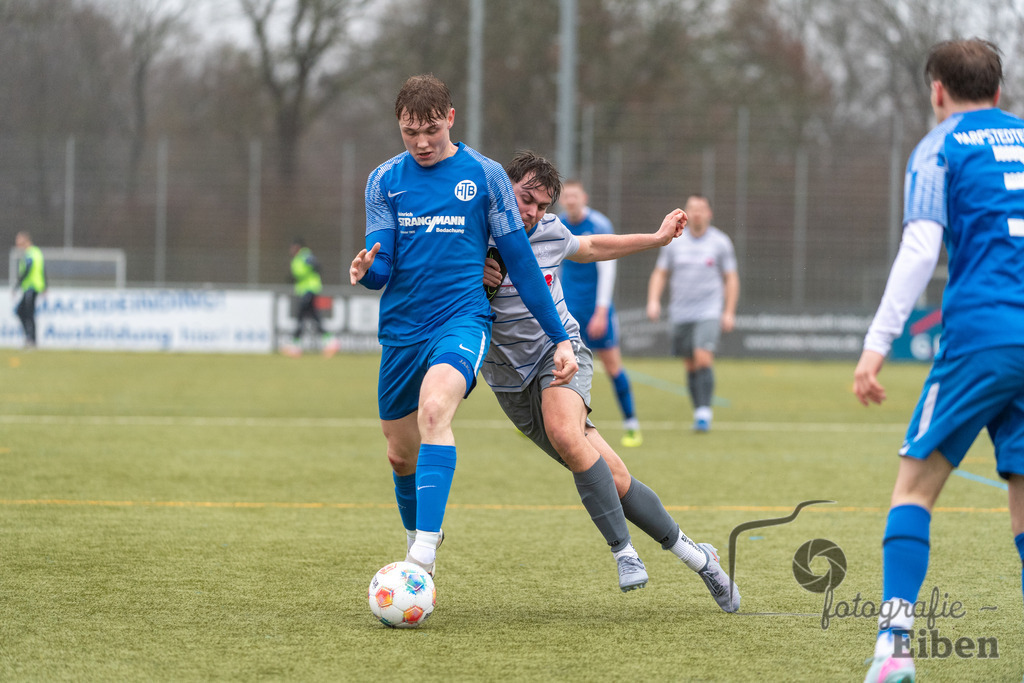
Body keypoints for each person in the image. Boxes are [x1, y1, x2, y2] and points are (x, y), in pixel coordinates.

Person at [482, 150, 740, 610]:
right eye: (526, 199)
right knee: (615, 477)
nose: (533, 213)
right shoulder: (471, 233)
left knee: (564, 430)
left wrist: (659, 239)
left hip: (558, 354)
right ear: (505, 187)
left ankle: (624, 553)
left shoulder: (548, 232)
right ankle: (701, 560)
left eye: (542, 206)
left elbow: (596, 247)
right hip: (507, 380)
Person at [349, 75, 577, 577]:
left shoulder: (488, 175)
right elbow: (384, 265)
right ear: (399, 127)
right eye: (411, 132)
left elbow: (520, 263)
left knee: (435, 411)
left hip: (462, 319)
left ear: (450, 118)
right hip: (402, 330)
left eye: (431, 128)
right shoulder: (384, 180)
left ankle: (421, 556)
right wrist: (369, 273)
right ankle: (418, 532)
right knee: (399, 456)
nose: (422, 142)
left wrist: (561, 337)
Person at [853, 39, 1024, 683]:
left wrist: (877, 345)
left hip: (982, 336)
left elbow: (922, 248)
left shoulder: (942, 145)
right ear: (1000, 89)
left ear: (937, 92)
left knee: (914, 489)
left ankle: (893, 648)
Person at [558, 181, 643, 447]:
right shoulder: (557, 225)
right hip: (567, 309)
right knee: (557, 364)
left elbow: (608, 269)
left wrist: (601, 310)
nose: (570, 200)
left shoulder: (599, 225)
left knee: (612, 365)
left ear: (584, 197)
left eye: (575, 195)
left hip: (596, 309)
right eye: (566, 195)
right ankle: (543, 419)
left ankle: (631, 424)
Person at [646, 195, 739, 433]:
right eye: (692, 209)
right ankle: (698, 410)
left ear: (710, 213)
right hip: (680, 313)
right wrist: (653, 301)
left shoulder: (720, 242)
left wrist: (728, 312)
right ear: (685, 213)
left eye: (701, 209)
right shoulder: (674, 241)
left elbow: (731, 279)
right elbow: (660, 273)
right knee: (689, 364)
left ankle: (704, 412)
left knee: (703, 357)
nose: (697, 213)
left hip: (709, 311)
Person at [282, 238, 340, 358]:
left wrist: (307, 274)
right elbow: (298, 274)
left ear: (297, 247)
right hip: (304, 291)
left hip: (309, 290)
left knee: (301, 317)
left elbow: (316, 266)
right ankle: (330, 342)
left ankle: (295, 346)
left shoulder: (305, 256)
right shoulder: (298, 259)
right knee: (313, 318)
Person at [13, 231, 45, 349]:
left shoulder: (31, 253)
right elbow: (43, 269)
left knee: (28, 313)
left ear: (25, 241)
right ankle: (30, 338)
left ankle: (31, 340)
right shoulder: (36, 252)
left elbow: (28, 269)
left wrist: (17, 285)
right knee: (22, 312)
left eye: (19, 241)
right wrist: (45, 286)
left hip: (31, 287)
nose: (17, 244)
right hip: (32, 287)